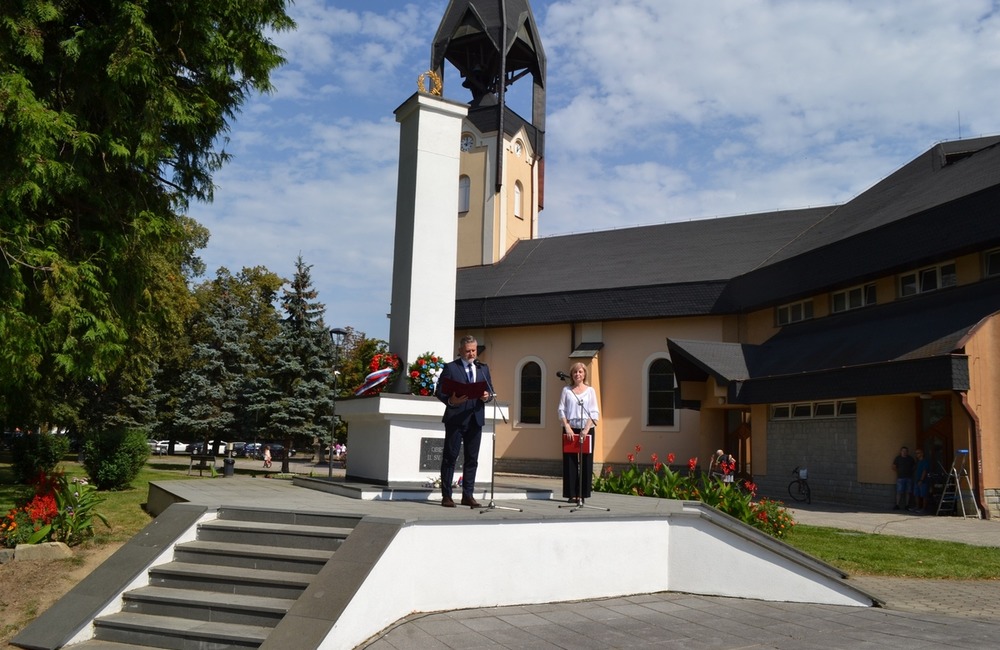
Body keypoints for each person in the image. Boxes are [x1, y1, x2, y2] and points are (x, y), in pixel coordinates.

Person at [435, 335, 492, 508]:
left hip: (475, 418)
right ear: (460, 351)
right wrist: (452, 401)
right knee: (450, 457)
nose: (471, 354)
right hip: (456, 418)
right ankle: (447, 496)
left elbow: (490, 391)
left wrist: (486, 397)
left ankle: (468, 495)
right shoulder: (451, 368)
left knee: (472, 459)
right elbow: (440, 391)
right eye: (468, 351)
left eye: (474, 350)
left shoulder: (483, 369)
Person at [558, 362, 599, 503]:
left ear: (584, 374)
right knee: (570, 461)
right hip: (570, 428)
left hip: (586, 429)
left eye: (580, 372)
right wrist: (567, 427)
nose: (578, 374)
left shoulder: (590, 391)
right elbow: (561, 410)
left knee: (586, 461)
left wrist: (586, 429)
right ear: (572, 375)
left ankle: (582, 494)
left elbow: (594, 412)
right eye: (575, 372)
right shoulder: (566, 390)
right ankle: (572, 494)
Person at [892, 445, 915, 510]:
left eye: (906, 451)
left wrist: (910, 471)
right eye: (903, 451)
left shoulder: (910, 458)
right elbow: (893, 467)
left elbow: (914, 466)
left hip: (909, 478)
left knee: (908, 492)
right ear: (901, 451)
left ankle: (907, 505)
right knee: (899, 492)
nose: (904, 452)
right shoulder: (898, 458)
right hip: (900, 478)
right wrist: (898, 471)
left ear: (907, 452)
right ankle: (897, 505)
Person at [913, 448, 931, 513]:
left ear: (922, 453)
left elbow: (924, 471)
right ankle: (917, 507)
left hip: (923, 481)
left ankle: (924, 508)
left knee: (924, 495)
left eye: (918, 453)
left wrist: (921, 479)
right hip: (916, 480)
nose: (917, 454)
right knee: (916, 494)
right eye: (916, 453)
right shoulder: (917, 462)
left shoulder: (925, 461)